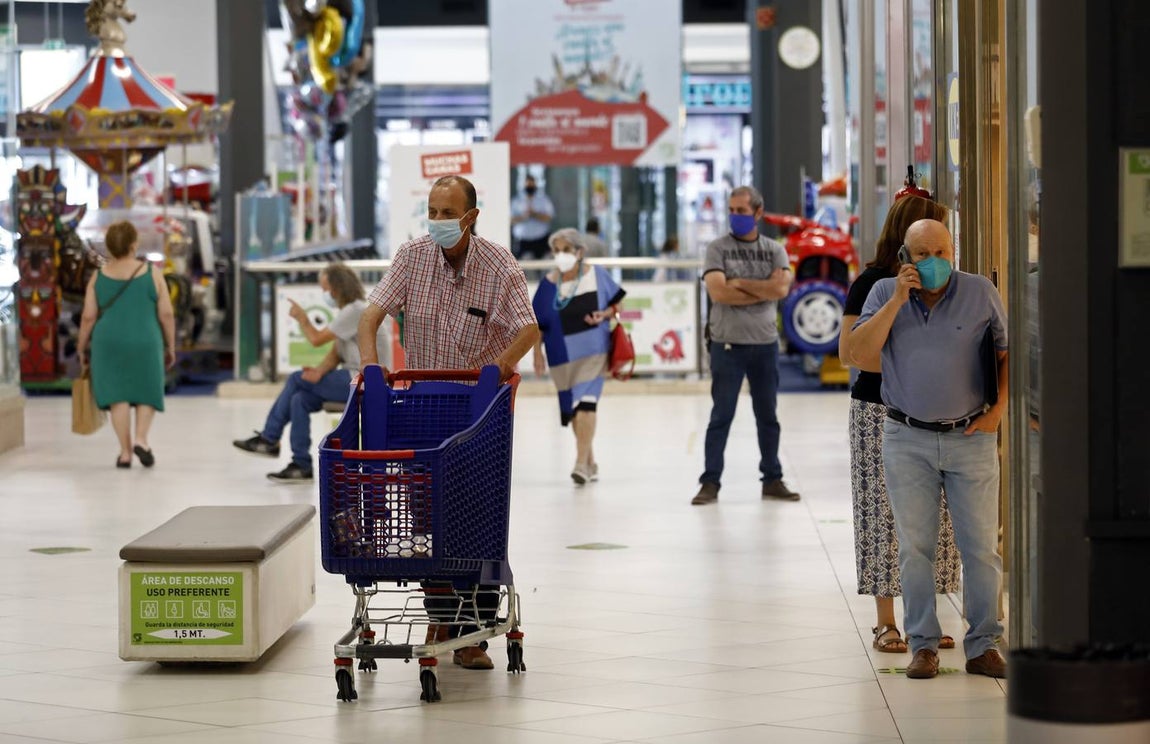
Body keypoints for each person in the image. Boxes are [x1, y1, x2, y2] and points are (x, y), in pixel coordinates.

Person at [357, 174, 540, 671]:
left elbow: (528, 329)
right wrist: (370, 367)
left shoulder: (498, 264)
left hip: (477, 411)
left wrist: (497, 369)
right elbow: (370, 317)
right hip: (421, 406)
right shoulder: (412, 257)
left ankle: (473, 633)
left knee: (477, 516)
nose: (437, 221)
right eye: (432, 212)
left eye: (447, 213)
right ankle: (442, 618)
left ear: (471, 217)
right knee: (427, 516)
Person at [846, 218, 1008, 680]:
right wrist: (897, 299)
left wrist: (997, 412)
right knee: (915, 548)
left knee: (980, 548)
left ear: (952, 252)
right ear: (905, 257)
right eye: (923, 254)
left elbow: (1006, 353)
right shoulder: (883, 293)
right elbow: (859, 355)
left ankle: (984, 644)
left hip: (970, 437)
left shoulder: (980, 292)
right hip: (907, 436)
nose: (934, 262)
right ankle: (923, 644)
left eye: (941, 252)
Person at [839, 196, 962, 656]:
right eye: (925, 245)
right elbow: (849, 353)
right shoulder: (872, 283)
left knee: (936, 517)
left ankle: (925, 619)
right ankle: (886, 621)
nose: (934, 257)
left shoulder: (951, 287)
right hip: (878, 409)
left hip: (935, 409)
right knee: (882, 514)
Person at [692, 185, 800, 506]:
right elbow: (719, 292)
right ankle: (710, 482)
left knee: (768, 417)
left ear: (758, 212)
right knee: (721, 416)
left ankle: (772, 479)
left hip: (765, 345)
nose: (734, 216)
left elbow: (781, 290)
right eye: (731, 210)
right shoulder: (717, 249)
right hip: (727, 345)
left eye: (741, 210)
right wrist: (763, 288)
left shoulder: (774, 250)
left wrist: (739, 283)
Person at [233, 263, 371, 483]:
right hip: (352, 378)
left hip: (364, 381)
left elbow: (316, 339)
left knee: (296, 379)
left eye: (326, 289)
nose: (325, 294)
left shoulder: (355, 310)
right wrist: (318, 371)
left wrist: (302, 318)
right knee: (300, 399)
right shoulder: (350, 312)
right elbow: (336, 353)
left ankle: (269, 438)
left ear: (337, 288)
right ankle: (301, 464)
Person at [77, 221, 175, 468]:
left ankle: (125, 453)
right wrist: (171, 345)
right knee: (146, 391)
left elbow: (88, 316)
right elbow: (166, 314)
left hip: (108, 342)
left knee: (117, 396)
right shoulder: (152, 273)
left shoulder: (98, 276)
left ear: (109, 246)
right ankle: (141, 439)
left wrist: (81, 346)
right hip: (146, 339)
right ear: (134, 245)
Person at [531, 228, 626, 484]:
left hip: (593, 351)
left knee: (586, 404)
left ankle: (580, 464)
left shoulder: (597, 275)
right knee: (575, 409)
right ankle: (590, 461)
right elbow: (537, 325)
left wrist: (605, 314)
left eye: (566, 250)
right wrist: (537, 353)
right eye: (556, 250)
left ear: (580, 252)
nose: (561, 255)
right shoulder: (548, 285)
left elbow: (618, 303)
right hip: (561, 356)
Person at [509, 174, 554, 260]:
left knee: (543, 263)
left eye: (532, 185)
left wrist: (535, 214)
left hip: (541, 239)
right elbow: (511, 220)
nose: (530, 187)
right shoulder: (516, 201)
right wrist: (524, 217)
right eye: (528, 185)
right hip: (522, 240)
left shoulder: (543, 200)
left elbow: (549, 218)